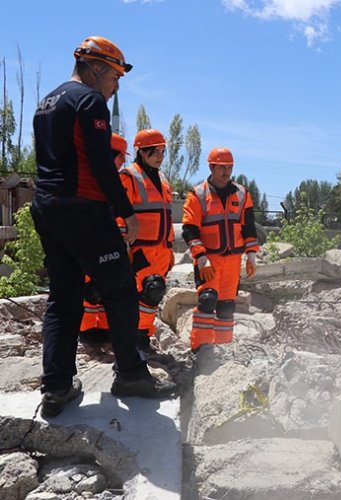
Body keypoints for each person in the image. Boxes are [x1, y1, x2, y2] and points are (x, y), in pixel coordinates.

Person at [32, 35, 176, 418]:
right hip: (84, 210)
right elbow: (100, 164)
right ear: (96, 68)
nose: (116, 86)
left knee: (63, 299)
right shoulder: (88, 100)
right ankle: (130, 374)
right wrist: (126, 212)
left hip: (48, 208)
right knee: (121, 290)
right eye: (115, 75)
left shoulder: (46, 103)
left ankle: (57, 386)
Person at [80, 129, 175, 354]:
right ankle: (96, 330)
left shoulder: (163, 180)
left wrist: (170, 250)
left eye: (163, 151)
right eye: (155, 151)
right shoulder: (129, 177)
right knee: (142, 290)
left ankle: (142, 333)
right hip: (139, 248)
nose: (160, 155)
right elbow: (119, 213)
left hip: (161, 250)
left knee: (152, 296)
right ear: (142, 152)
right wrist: (124, 245)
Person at [181, 147, 260, 351]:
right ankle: (200, 349)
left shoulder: (242, 194)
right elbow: (189, 229)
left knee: (226, 307)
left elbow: (249, 226)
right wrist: (200, 258)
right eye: (222, 168)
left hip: (233, 261)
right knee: (207, 301)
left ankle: (223, 348)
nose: (227, 172)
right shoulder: (198, 194)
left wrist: (251, 256)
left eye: (230, 167)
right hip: (209, 260)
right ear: (211, 167)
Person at [79, 133, 130, 336]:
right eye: (120, 157)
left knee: (107, 289)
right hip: (89, 245)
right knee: (91, 290)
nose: (123, 162)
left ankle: (104, 329)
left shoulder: (114, 182)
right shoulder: (89, 181)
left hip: (109, 246)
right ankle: (87, 329)